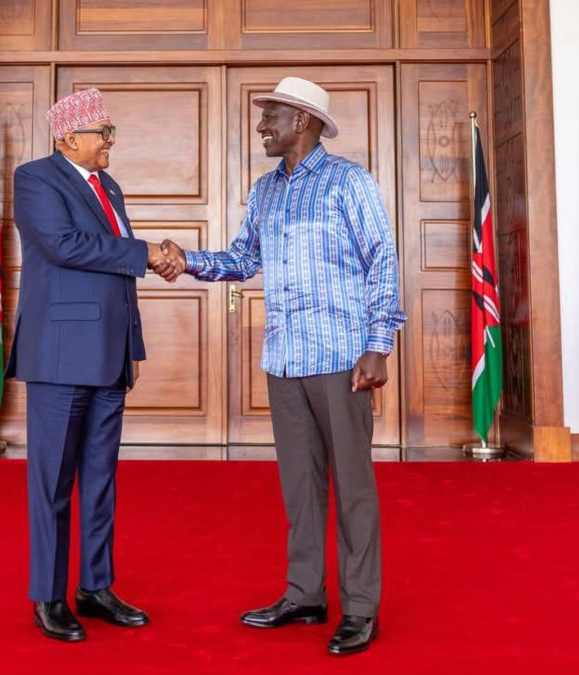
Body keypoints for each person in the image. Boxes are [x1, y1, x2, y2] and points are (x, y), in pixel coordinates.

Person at [159, 77, 406, 656]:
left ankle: (361, 608)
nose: (261, 126)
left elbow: (383, 260)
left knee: (352, 487)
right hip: (284, 358)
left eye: (270, 115)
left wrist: (379, 344)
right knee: (299, 485)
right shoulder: (265, 190)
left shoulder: (350, 182)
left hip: (342, 357)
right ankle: (304, 595)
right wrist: (185, 260)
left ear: (302, 120)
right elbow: (243, 258)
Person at [6, 88, 175, 642]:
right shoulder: (36, 179)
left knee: (101, 481)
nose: (110, 142)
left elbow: (118, 267)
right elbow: (65, 245)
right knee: (52, 484)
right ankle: (48, 596)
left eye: (110, 132)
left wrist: (133, 343)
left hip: (109, 354)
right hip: (60, 355)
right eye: (103, 132)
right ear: (67, 137)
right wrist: (146, 252)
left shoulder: (111, 187)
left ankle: (95, 587)